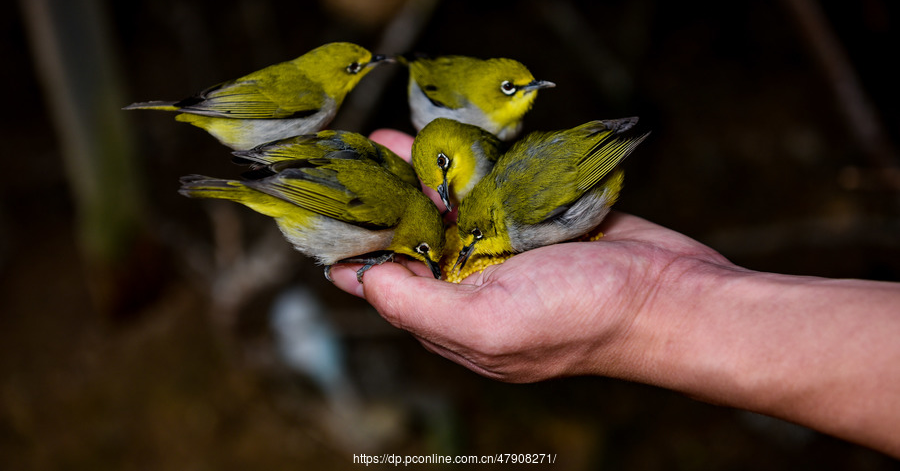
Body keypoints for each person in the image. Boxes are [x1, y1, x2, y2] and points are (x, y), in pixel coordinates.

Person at [329, 129, 900, 459]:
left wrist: (640, 305)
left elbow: (585, 178)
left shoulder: (519, 210)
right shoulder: (492, 196)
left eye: (474, 240)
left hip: (597, 172)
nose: (471, 249)